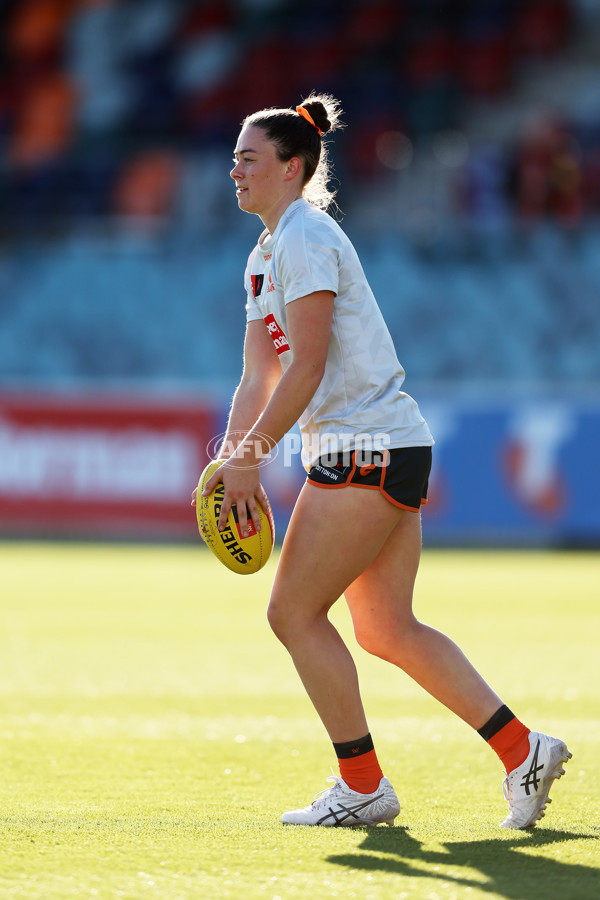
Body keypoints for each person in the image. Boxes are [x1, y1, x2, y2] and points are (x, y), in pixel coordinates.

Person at [194, 93, 571, 829]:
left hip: (362, 445)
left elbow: (302, 370)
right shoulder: (267, 251)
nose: (233, 169)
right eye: (234, 157)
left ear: (291, 167)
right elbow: (257, 376)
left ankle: (362, 786)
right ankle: (524, 749)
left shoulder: (304, 236)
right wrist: (232, 460)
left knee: (293, 613)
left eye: (249, 158)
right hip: (386, 441)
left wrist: (249, 461)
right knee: (386, 629)